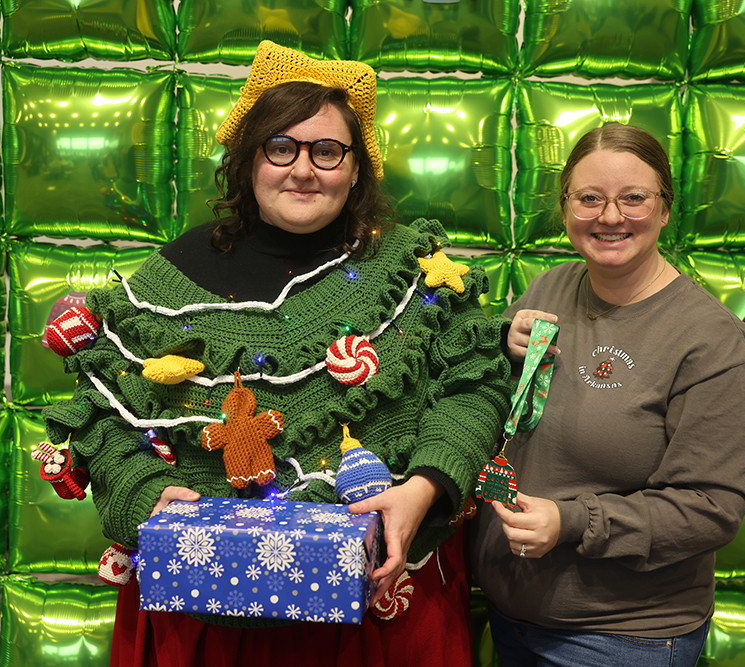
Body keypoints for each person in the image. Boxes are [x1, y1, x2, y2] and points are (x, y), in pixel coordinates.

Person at [43, 41, 511, 666]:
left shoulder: (412, 271)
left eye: (327, 151)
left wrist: (426, 485)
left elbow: (474, 383)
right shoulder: (164, 283)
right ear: (247, 160)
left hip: (386, 610)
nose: (303, 169)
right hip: (204, 619)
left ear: (356, 168)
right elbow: (99, 413)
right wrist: (142, 490)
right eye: (281, 147)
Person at [468, 124, 745, 667]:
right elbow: (504, 413)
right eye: (590, 198)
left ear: (665, 209)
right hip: (511, 615)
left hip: (620, 638)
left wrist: (573, 521)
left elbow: (711, 508)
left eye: (633, 198)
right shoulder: (550, 287)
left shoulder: (712, 342)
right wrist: (500, 343)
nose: (610, 217)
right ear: (565, 208)